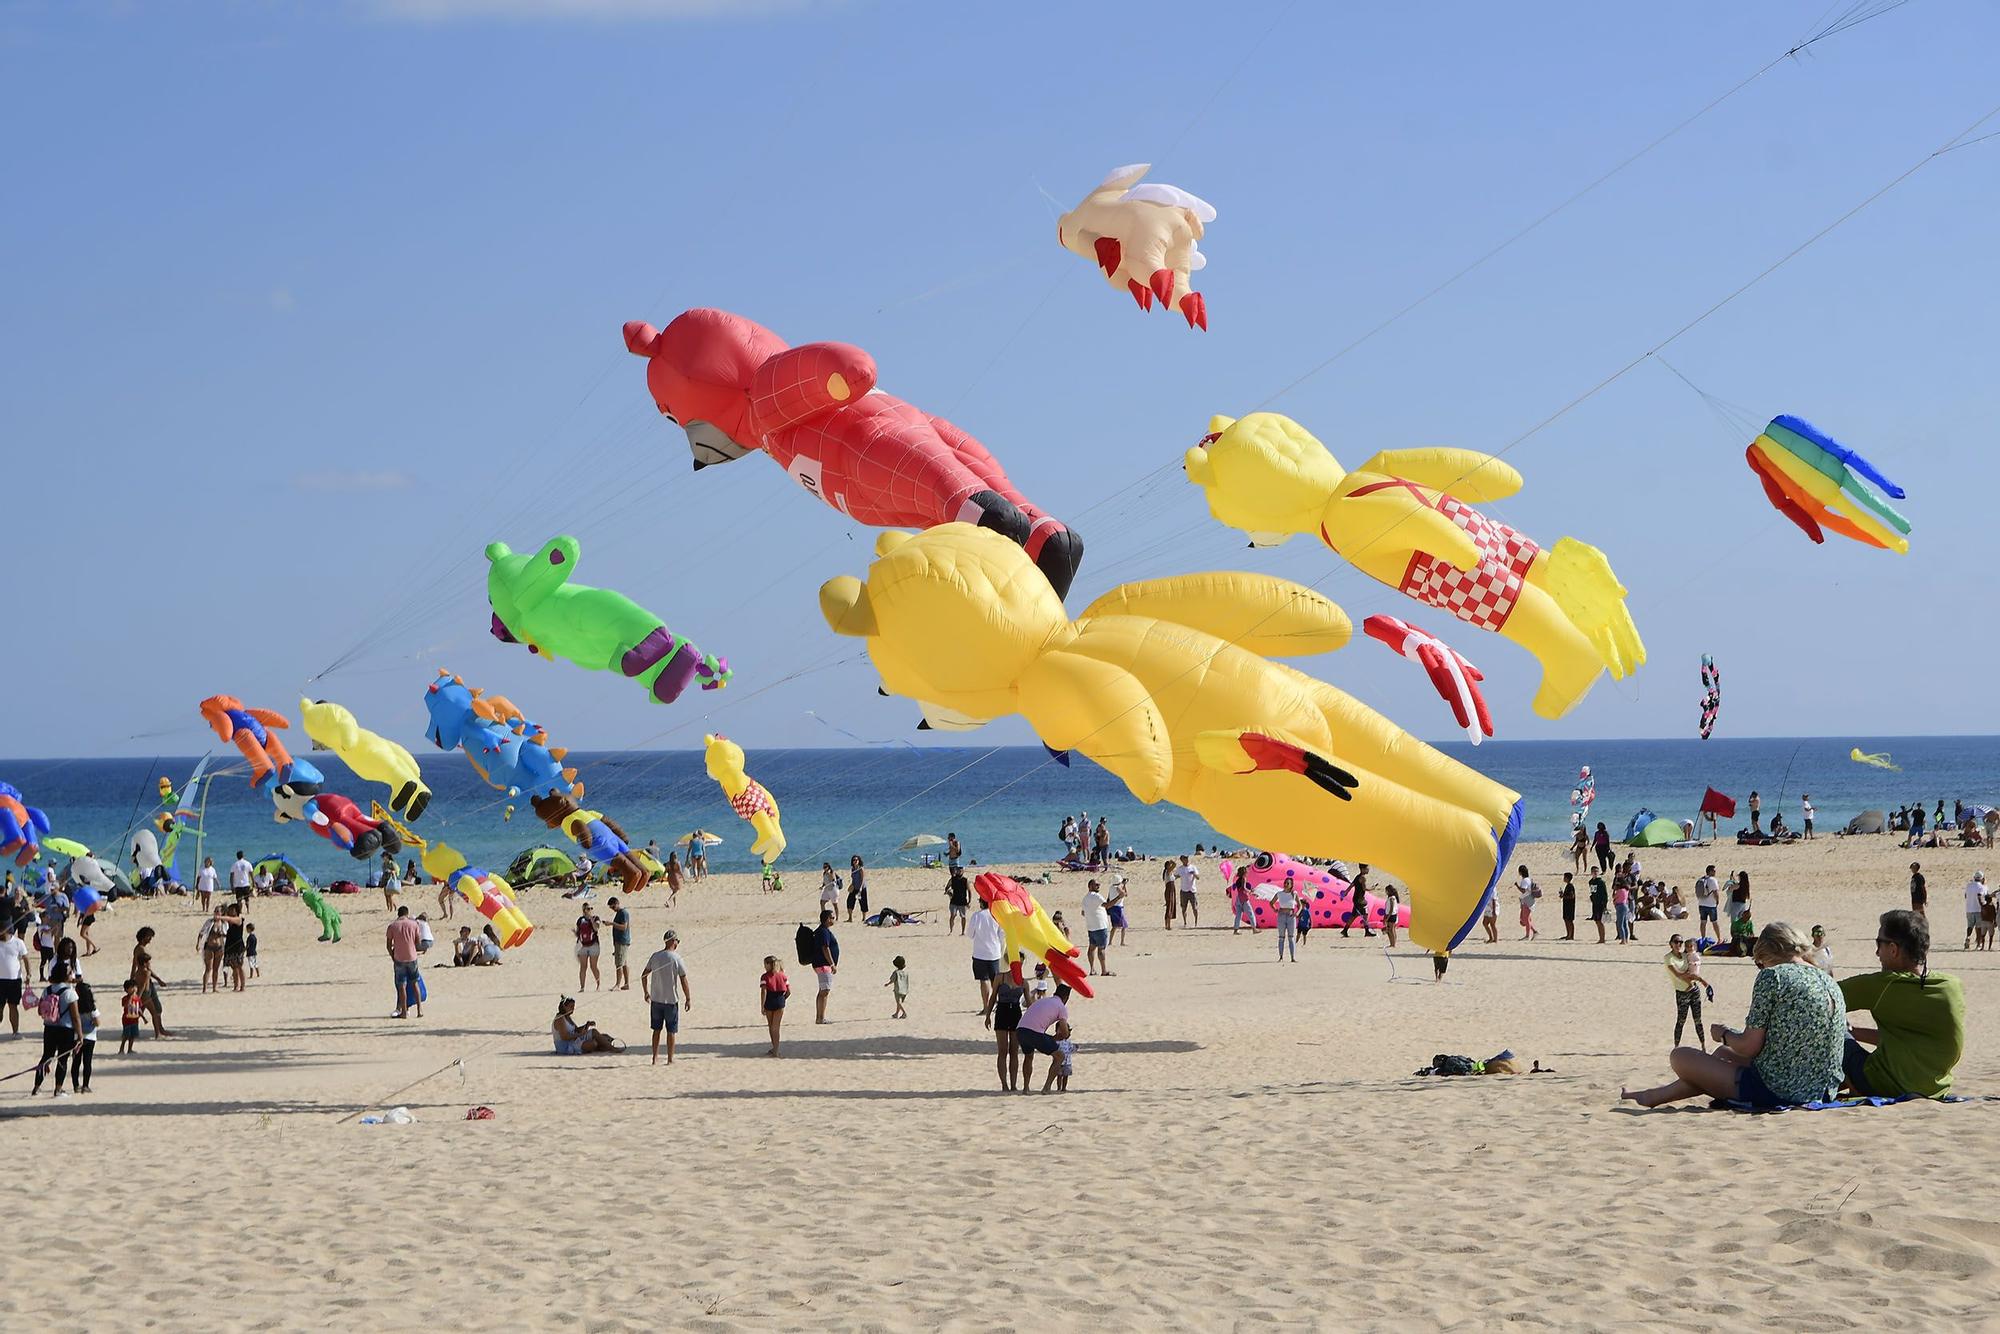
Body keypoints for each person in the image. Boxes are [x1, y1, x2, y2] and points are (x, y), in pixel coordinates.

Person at [1622, 922, 1842, 1109]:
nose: (1761, 966)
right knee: (1722, 1053)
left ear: (1768, 953)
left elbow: (1749, 1046)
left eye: (1760, 961)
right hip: (1822, 1089)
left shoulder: (1773, 977)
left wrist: (1724, 1033)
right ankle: (1653, 1096)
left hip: (1780, 1089)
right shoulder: (1827, 980)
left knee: (1680, 1056)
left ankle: (1651, 1096)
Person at [1838, 909, 1965, 1099]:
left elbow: (1820, 994)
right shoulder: (1951, 986)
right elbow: (1906, 1042)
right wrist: (1855, 1032)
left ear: (1893, 949)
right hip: (1935, 1088)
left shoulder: (1883, 985)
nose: (1877, 952)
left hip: (1884, 1085)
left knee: (1833, 1029)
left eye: (1878, 943)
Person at [641, 929, 691, 1064]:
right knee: (671, 1031)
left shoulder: (655, 956)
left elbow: (644, 975)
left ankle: (655, 1058)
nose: (677, 944)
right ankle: (669, 1059)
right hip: (670, 1001)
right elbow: (683, 979)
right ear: (673, 941)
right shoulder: (676, 958)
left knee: (656, 1030)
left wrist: (646, 992)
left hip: (656, 1000)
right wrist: (688, 998)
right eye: (677, 941)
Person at [31, 960, 80, 1097]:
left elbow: (40, 1011)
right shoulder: (70, 992)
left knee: (46, 1057)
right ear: (65, 975)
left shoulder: (47, 990)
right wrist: (80, 1035)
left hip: (49, 1028)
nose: (72, 974)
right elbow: (75, 1017)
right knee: (62, 1059)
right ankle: (58, 1089)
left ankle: (36, 1087)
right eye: (70, 972)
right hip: (66, 1029)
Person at [1018, 983, 1071, 1094]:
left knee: (1028, 1056)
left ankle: (1026, 1088)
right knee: (1059, 1056)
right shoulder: (1061, 1007)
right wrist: (1063, 1035)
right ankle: (1047, 1087)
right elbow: (1065, 1032)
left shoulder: (1043, 1000)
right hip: (1035, 1032)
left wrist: (1053, 1038)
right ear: (1066, 997)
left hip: (1021, 1030)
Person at [1665, 934, 1713, 1050]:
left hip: (1694, 990)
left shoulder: (1685, 955)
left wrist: (1694, 981)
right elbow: (1678, 975)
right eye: (1676, 942)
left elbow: (1693, 969)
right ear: (1670, 944)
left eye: (1681, 942)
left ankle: (1703, 1046)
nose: (1678, 945)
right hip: (1682, 992)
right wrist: (1700, 980)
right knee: (1681, 1020)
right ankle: (1676, 1047)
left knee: (1698, 1020)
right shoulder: (1669, 958)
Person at [386, 905, 424, 1020]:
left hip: (399, 958)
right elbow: (418, 943)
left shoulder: (392, 926)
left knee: (401, 985)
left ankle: (404, 1012)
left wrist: (393, 956)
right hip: (412, 957)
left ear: (398, 914)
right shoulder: (414, 924)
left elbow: (388, 945)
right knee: (414, 983)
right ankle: (419, 1009)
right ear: (407, 914)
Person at [989, 967, 1025, 1090]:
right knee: (1003, 1050)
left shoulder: (1023, 981)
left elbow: (1030, 1002)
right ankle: (1004, 1084)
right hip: (1002, 1012)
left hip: (1016, 1013)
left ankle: (1014, 1084)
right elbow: (993, 996)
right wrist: (988, 1015)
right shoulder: (1000, 977)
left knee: (1014, 1051)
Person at [131, 927, 170, 1038]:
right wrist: (159, 979)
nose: (150, 940)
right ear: (144, 937)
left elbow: (134, 966)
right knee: (153, 1009)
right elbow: (147, 969)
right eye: (149, 937)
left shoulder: (137, 948)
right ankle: (158, 1032)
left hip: (145, 982)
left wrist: (132, 978)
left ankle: (159, 1030)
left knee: (141, 1009)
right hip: (146, 983)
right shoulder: (142, 950)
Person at [551, 996, 623, 1054]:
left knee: (604, 1036)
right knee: (594, 1043)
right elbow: (564, 1037)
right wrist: (580, 1035)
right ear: (564, 1007)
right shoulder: (560, 1019)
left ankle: (606, 1046)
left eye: (573, 1006)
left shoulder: (567, 1017)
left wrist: (586, 1025)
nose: (573, 1009)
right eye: (571, 1007)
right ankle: (611, 1048)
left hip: (574, 1040)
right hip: (565, 1046)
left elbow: (576, 1030)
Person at [970, 899, 1005, 1019]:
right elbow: (1002, 934)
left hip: (980, 953)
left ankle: (986, 1007)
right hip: (994, 953)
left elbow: (970, 934)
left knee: (984, 980)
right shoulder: (996, 915)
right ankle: (999, 1005)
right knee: (996, 981)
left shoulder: (977, 916)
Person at [755, 955, 789, 1056]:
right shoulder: (783, 975)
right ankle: (776, 1049)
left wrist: (762, 1005)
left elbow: (764, 991)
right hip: (780, 1000)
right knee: (776, 1027)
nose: (764, 966)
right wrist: (782, 1000)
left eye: (765, 964)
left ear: (769, 964)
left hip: (770, 1000)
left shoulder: (765, 976)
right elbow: (788, 991)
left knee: (771, 1026)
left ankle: (775, 1049)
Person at [0, 921, 27, 1035]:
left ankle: (15, 1031)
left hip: (14, 980)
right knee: (0, 1007)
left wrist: (29, 974)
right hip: (0, 980)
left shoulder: (18, 943)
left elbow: (26, 958)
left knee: (13, 1006)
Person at [813, 909, 839, 1024]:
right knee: (825, 991)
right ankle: (820, 1018)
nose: (834, 919)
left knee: (822, 991)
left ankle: (820, 1017)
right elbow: (825, 948)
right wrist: (832, 964)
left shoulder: (823, 930)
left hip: (821, 964)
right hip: (823, 965)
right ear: (827, 919)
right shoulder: (823, 931)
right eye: (832, 917)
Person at [1081, 879, 1112, 976]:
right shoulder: (1096, 896)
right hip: (1100, 926)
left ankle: (1092, 969)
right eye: (1096, 885)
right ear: (1090, 886)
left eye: (1099, 884)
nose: (1098, 886)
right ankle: (1104, 970)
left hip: (1091, 926)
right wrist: (1119, 897)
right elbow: (1107, 905)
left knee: (1091, 948)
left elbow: (1083, 912)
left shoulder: (1085, 898)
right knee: (1101, 949)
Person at [573, 904, 602, 990]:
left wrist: (591, 920)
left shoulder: (595, 918)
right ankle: (582, 987)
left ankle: (598, 984)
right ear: (584, 910)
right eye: (588, 908)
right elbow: (578, 933)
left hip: (594, 944)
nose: (590, 910)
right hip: (583, 945)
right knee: (583, 966)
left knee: (593, 966)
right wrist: (574, 933)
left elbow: (596, 928)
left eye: (591, 908)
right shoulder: (580, 920)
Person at [1273, 871, 1300, 962]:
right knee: (1281, 937)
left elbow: (1299, 906)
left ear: (1291, 885)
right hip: (1281, 915)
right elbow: (1271, 902)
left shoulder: (1294, 894)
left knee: (1291, 936)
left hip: (1291, 916)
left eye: (1287, 883)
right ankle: (1281, 956)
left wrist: (1297, 913)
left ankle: (1292, 957)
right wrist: (1275, 909)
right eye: (1285, 883)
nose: (1285, 884)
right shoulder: (1279, 893)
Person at [198, 911, 226, 993]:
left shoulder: (224, 924)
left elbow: (227, 934)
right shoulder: (209, 922)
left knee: (216, 969)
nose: (217, 914)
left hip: (219, 947)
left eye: (219, 912)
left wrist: (222, 934)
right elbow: (201, 932)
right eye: (216, 912)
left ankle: (214, 987)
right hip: (209, 947)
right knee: (208, 968)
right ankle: (205, 988)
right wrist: (198, 943)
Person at [1343, 863, 1375, 938]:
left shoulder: (1357, 876)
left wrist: (1346, 892)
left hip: (1357, 898)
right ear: (1362, 869)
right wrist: (1372, 888)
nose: (1368, 870)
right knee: (1364, 914)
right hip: (1360, 899)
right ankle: (1366, 931)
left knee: (1354, 915)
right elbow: (1364, 889)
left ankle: (1345, 930)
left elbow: (1352, 885)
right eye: (1367, 868)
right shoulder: (1363, 878)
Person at [1726, 873, 1754, 957]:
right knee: (1743, 920)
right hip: (1742, 904)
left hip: (1736, 904)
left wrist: (1731, 882)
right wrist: (1733, 879)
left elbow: (1731, 888)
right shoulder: (1745, 885)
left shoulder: (1739, 885)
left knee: (1734, 921)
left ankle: (1735, 940)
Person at [607, 897, 632, 990]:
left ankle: (617, 984)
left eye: (613, 907)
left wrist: (612, 924)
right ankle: (626, 983)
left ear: (617, 903)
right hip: (619, 941)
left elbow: (623, 927)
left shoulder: (623, 913)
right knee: (624, 963)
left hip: (622, 941)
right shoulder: (619, 913)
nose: (612, 909)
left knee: (619, 964)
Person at [1228, 864, 1256, 936]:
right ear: (1244, 873)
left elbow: (1240, 889)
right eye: (1247, 872)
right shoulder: (1244, 878)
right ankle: (1254, 929)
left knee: (1238, 915)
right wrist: (1250, 891)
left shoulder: (1237, 880)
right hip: (1243, 899)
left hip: (1238, 899)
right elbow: (1244, 888)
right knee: (1250, 913)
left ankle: (1235, 930)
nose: (1248, 873)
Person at [224, 910, 248, 993]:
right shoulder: (229, 922)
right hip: (230, 946)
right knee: (234, 967)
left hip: (238, 946)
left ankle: (242, 986)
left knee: (239, 966)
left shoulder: (239, 919)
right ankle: (236, 986)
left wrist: (219, 917)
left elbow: (229, 919)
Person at [118, 978, 143, 1054]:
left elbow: (139, 1009)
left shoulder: (137, 998)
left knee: (132, 1036)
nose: (134, 989)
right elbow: (125, 1005)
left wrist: (143, 1017)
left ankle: (130, 1049)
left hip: (135, 1020)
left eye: (135, 987)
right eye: (132, 987)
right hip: (127, 1020)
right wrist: (131, 998)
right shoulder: (125, 998)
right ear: (127, 989)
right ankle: (121, 1049)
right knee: (126, 1036)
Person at [1964, 871, 1989, 950]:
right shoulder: (1982, 887)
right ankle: (1979, 944)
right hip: (1978, 910)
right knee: (1979, 928)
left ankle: (1968, 937)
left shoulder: (1969, 885)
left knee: (1970, 926)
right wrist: (1984, 906)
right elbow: (1981, 897)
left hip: (1969, 909)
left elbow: (1965, 896)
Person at [945, 867, 971, 935]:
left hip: (963, 901)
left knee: (963, 916)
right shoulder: (953, 879)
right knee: (953, 915)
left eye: (961, 870)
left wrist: (969, 901)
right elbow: (947, 887)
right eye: (958, 870)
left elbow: (969, 891)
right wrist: (948, 893)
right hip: (954, 901)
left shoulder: (965, 880)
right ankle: (951, 930)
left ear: (963, 871)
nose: (959, 871)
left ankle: (963, 932)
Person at [1176, 854, 1200, 927]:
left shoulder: (1193, 867)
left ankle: (1196, 922)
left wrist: (1194, 874)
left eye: (1187, 858)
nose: (1186, 860)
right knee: (1184, 908)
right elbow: (1176, 876)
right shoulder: (1180, 869)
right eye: (1185, 859)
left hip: (1192, 890)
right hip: (1184, 891)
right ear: (1182, 860)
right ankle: (1185, 922)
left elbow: (1198, 877)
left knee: (1195, 908)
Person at [1516, 866, 1539, 941]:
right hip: (1527, 900)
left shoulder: (1525, 880)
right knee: (1524, 919)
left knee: (1526, 919)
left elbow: (1523, 890)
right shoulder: (1528, 879)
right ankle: (1534, 932)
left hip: (1527, 901)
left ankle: (1527, 936)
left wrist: (1517, 886)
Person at [846, 855, 870, 923]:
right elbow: (853, 878)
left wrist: (860, 888)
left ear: (859, 861)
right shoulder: (853, 869)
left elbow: (862, 879)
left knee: (863, 902)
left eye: (856, 860)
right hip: (854, 887)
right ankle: (850, 918)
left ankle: (864, 918)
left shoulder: (861, 868)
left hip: (861, 888)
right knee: (849, 901)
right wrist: (851, 885)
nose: (855, 861)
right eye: (854, 860)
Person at [1107, 874, 1129, 945]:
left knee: (1114, 926)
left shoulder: (1111, 887)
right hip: (1118, 908)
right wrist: (1124, 885)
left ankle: (1110, 942)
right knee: (1124, 925)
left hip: (1112, 907)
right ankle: (1122, 942)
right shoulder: (1118, 887)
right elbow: (1124, 894)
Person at [1559, 872, 1577, 941]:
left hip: (1570, 905)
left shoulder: (1570, 886)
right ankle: (1568, 934)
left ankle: (1571, 935)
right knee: (1566, 919)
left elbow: (1571, 896)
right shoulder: (1568, 886)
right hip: (1566, 905)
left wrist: (1563, 896)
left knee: (1569, 920)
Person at [1160, 859, 1178, 930]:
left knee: (1170, 906)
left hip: (1171, 890)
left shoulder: (1169, 873)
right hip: (1169, 890)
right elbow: (1175, 864)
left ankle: (1168, 925)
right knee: (1169, 907)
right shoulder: (1168, 871)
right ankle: (1167, 926)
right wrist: (1171, 861)